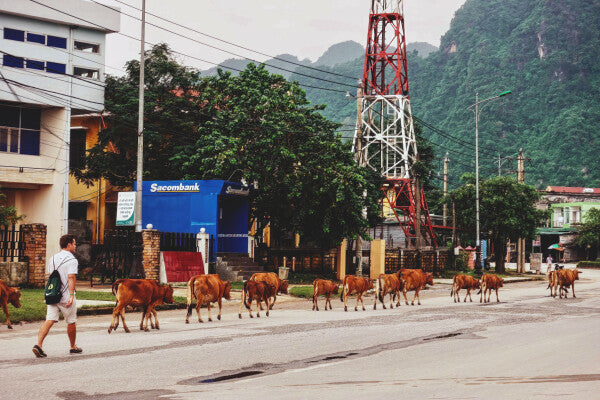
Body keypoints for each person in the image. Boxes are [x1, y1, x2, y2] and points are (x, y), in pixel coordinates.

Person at [32, 234, 82, 358]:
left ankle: (38, 344)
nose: (75, 246)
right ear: (69, 244)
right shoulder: (72, 260)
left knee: (49, 320)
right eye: (74, 243)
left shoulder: (52, 258)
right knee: (71, 321)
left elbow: (51, 276)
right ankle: (72, 346)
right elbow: (71, 277)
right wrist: (71, 295)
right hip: (65, 296)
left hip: (53, 295)